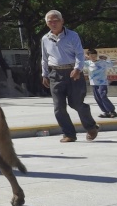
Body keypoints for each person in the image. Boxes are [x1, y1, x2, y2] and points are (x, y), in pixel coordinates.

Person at [41, 10, 100, 142]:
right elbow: (44, 58)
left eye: (56, 20)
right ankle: (69, 134)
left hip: (73, 72)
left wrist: (77, 69)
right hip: (55, 74)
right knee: (58, 107)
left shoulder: (73, 35)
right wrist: (44, 74)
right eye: (50, 21)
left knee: (76, 104)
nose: (53, 23)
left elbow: (79, 54)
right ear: (47, 23)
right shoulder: (45, 38)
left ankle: (91, 127)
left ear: (62, 21)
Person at [85, 49, 117, 118]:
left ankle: (112, 111)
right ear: (88, 56)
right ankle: (106, 112)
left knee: (102, 96)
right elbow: (78, 63)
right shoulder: (87, 63)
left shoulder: (102, 62)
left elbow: (111, 64)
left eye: (94, 56)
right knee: (98, 98)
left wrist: (107, 58)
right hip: (94, 83)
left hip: (102, 82)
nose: (93, 57)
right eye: (91, 56)